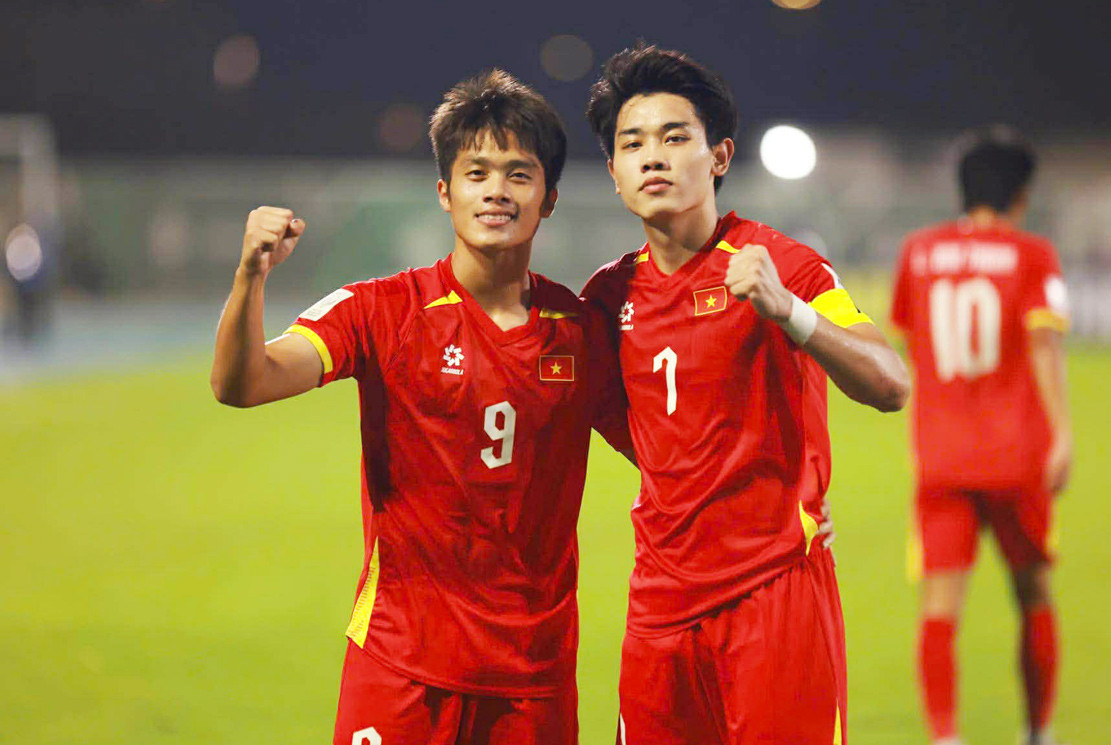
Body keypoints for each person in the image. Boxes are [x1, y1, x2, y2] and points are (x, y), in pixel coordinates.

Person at [210, 70, 632, 745]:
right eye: (476, 173)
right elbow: (243, 382)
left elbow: (665, 452)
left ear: (549, 198)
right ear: (445, 191)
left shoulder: (580, 333)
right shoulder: (380, 309)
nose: (496, 190)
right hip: (400, 665)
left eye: (519, 174)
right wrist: (250, 276)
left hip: (532, 679)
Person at [580, 44, 910, 745]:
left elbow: (891, 382)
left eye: (675, 137)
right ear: (613, 173)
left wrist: (789, 312)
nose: (653, 157)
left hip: (773, 591)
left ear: (719, 155)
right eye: (632, 144)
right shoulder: (607, 297)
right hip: (658, 607)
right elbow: (636, 428)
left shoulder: (781, 264)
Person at [890, 129, 1071, 745]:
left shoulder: (918, 251)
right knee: (1033, 595)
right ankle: (1037, 733)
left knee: (940, 609)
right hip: (1018, 456)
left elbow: (910, 344)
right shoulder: (1032, 254)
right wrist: (1062, 435)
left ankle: (945, 738)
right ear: (1022, 194)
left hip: (941, 457)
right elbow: (1044, 344)